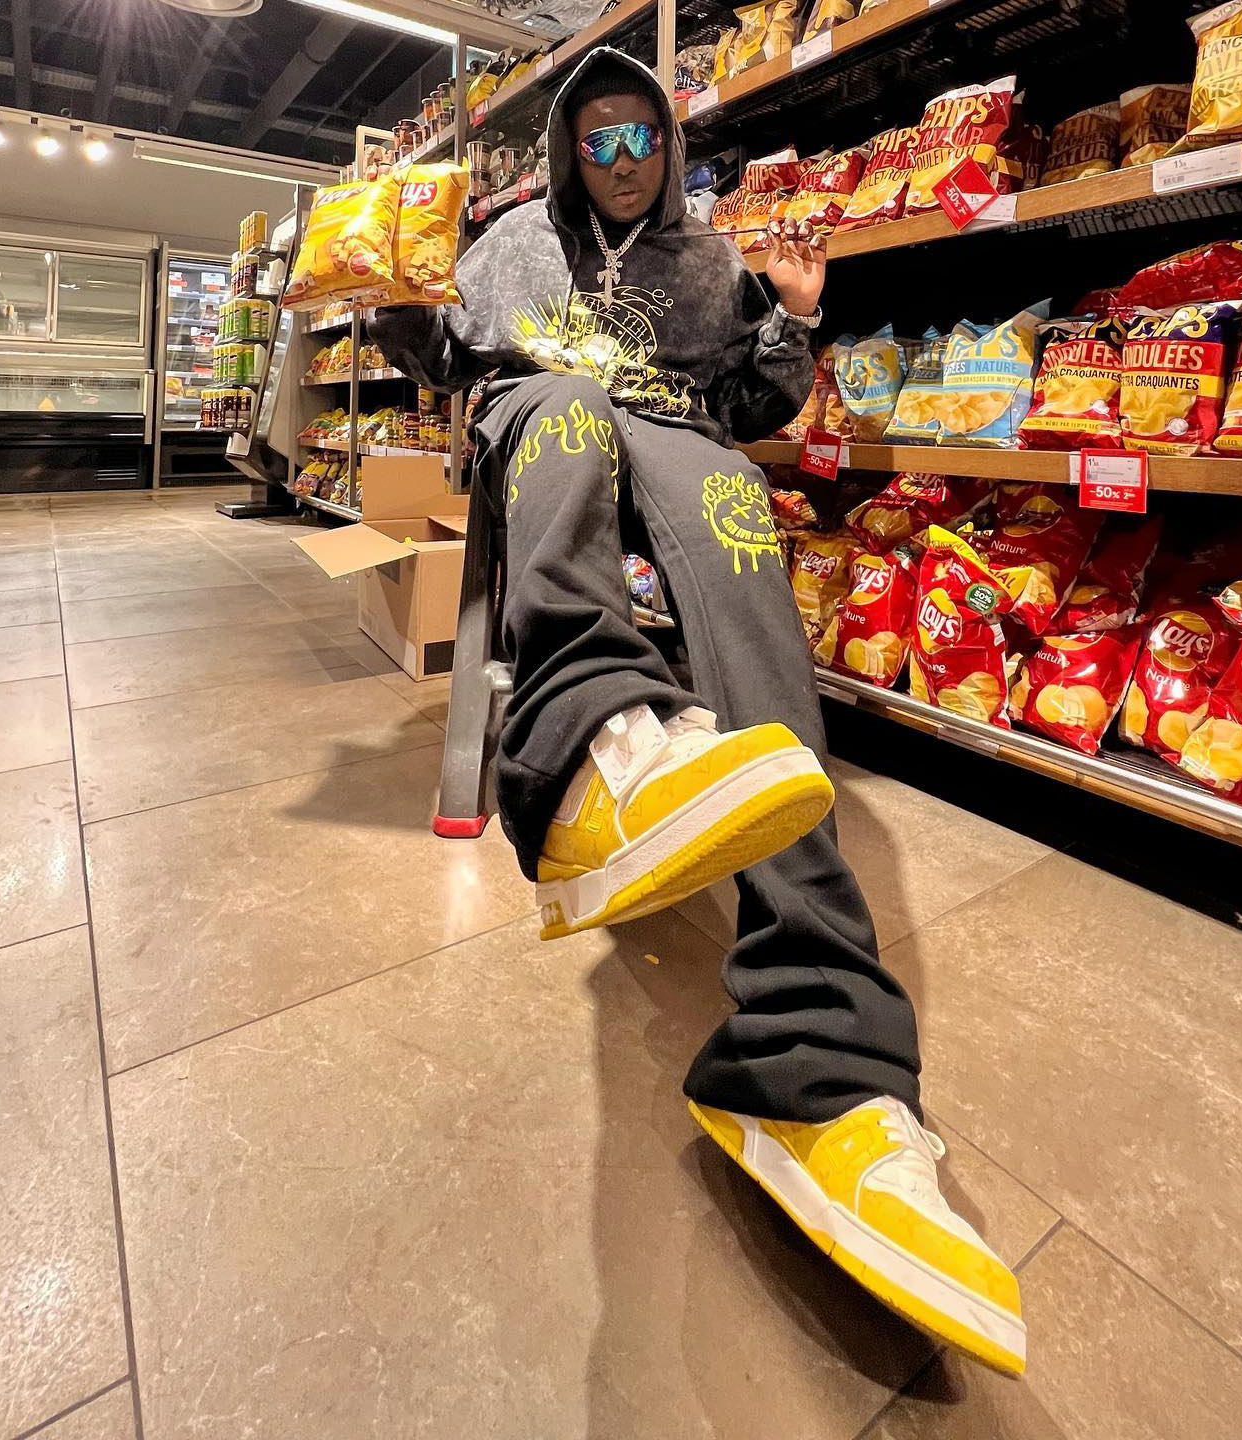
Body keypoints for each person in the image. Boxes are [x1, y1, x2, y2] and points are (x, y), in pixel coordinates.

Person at [369, 47, 1026, 1375]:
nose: (622, 162)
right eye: (597, 141)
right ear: (568, 153)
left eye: (641, 139)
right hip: (544, 422)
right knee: (563, 411)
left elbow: (754, 403)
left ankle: (820, 1070)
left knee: (732, 506)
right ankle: (592, 747)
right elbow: (447, 360)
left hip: (676, 442)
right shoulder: (510, 245)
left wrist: (794, 317)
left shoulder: (712, 260)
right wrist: (395, 301)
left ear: (668, 148)